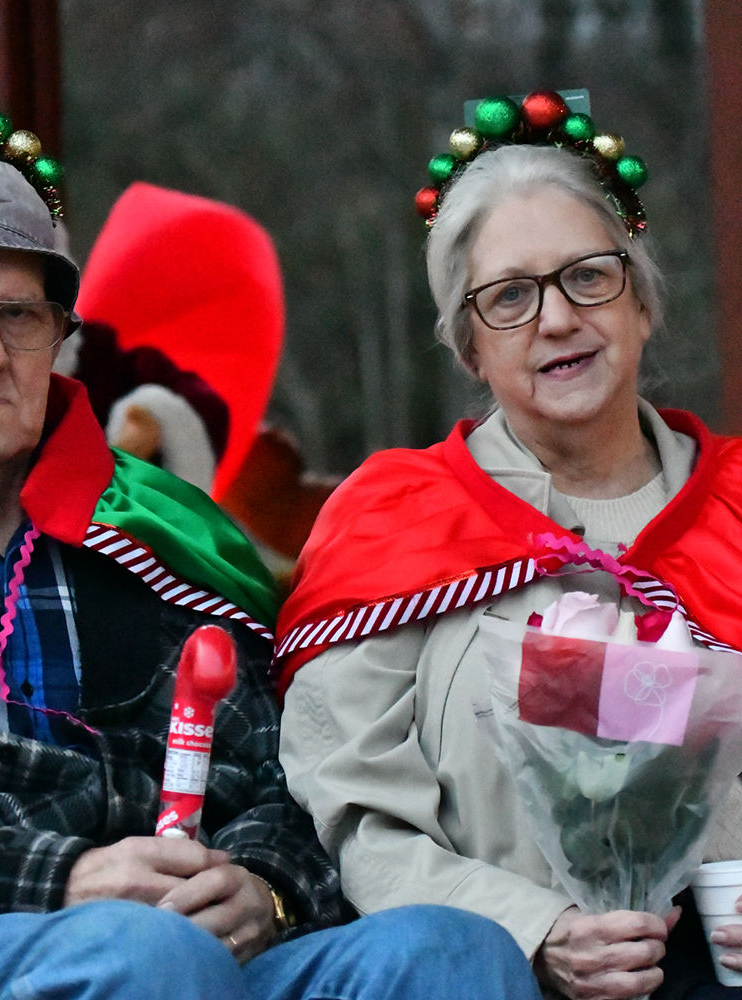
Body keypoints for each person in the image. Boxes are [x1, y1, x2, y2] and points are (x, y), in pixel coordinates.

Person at [0, 84, 540, 1000]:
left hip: (185, 953)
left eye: (19, 316)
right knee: (143, 958)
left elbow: (285, 776)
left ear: (60, 339)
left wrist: (264, 889)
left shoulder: (154, 537)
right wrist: (59, 881)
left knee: (452, 954)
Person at [276, 91, 742, 1000]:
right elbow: (356, 821)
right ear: (469, 350)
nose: (557, 319)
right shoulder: (393, 519)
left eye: (588, 277)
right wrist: (538, 933)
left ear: (642, 304)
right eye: (510, 298)